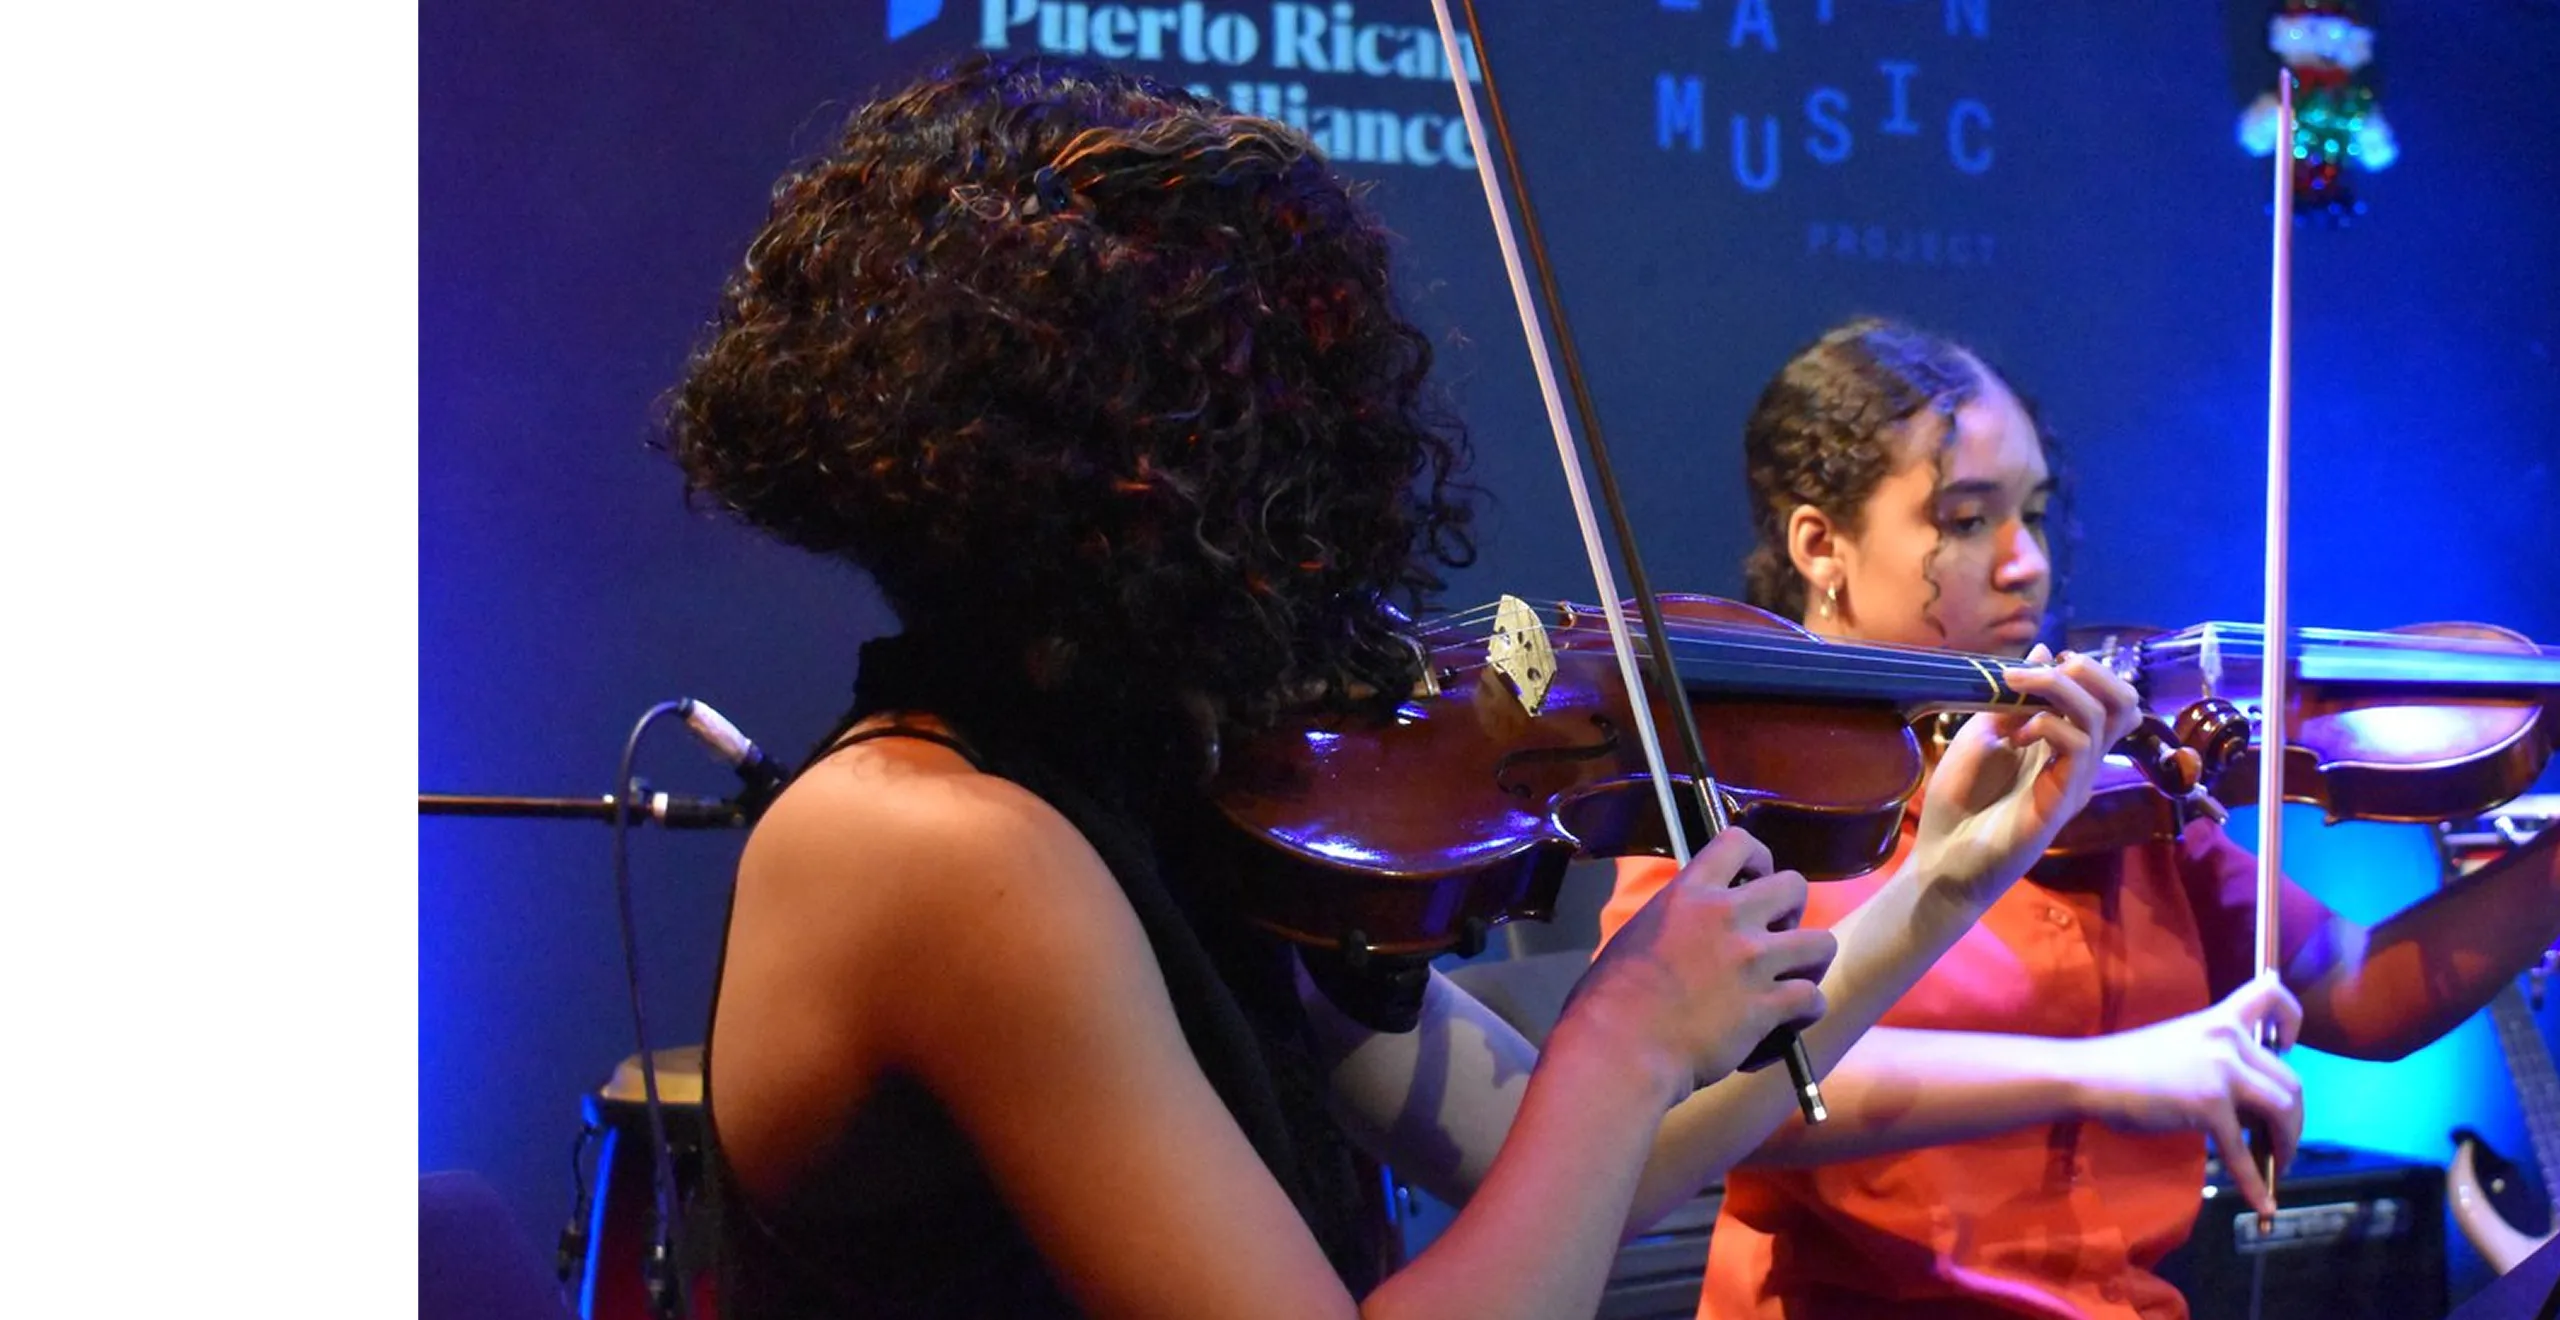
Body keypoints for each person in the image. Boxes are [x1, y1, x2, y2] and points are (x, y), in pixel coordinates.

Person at [668, 59, 2144, 1320]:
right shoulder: (946, 847)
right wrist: (1624, 1038)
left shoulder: (1166, 795)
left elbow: (1575, 1174)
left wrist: (1938, 888)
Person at [1600, 316, 2560, 1320]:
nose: (2028, 565)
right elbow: (1709, 1089)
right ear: (1820, 545)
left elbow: (2356, 991)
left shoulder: (2100, 763)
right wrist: (2099, 1075)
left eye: (2035, 515)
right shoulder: (1731, 782)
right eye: (1968, 521)